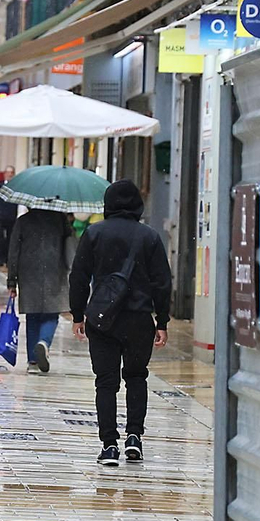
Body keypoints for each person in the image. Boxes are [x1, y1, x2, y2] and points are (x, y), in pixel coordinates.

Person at [69, 179, 173, 467]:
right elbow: (163, 282)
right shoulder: (149, 237)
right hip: (139, 320)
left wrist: (78, 315)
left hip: (102, 320)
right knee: (137, 377)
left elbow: (78, 276)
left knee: (106, 382)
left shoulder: (94, 233)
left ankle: (109, 445)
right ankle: (134, 439)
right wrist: (162, 320)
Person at [6, 207, 71, 374]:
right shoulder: (61, 220)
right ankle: (43, 342)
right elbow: (69, 248)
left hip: (28, 272)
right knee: (51, 314)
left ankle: (33, 361)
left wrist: (12, 280)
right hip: (54, 270)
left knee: (33, 316)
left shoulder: (23, 221)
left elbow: (13, 252)